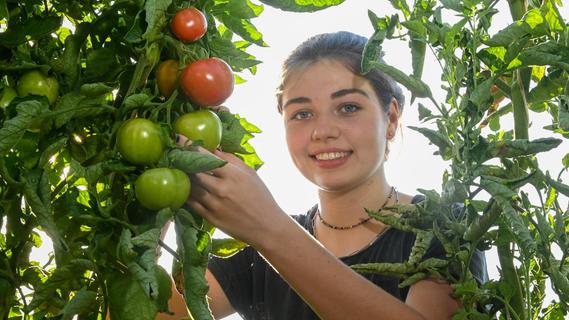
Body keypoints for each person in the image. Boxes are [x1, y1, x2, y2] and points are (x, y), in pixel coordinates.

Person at [170, 31, 488, 320]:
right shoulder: (254, 252)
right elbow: (143, 310)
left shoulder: (445, 227)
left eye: (348, 108)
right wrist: (163, 168)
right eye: (302, 114)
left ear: (390, 118)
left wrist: (267, 227)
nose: (323, 131)